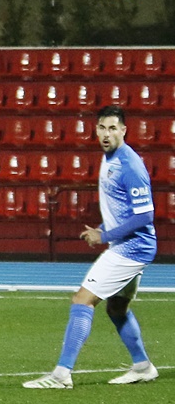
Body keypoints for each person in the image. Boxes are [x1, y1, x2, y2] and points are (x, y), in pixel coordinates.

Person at [24, 106, 159, 389]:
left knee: (82, 300)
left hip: (132, 248)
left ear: (124, 130)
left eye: (112, 128)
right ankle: (143, 366)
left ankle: (61, 375)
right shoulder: (110, 158)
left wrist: (105, 235)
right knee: (117, 308)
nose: (106, 134)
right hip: (130, 245)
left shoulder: (129, 165)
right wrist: (103, 229)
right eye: (102, 128)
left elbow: (145, 215)